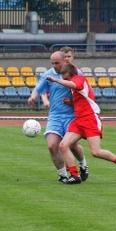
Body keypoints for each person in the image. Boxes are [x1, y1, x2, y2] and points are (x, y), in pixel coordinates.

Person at [47, 63, 116, 182]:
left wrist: (55, 80)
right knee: (63, 145)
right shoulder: (74, 84)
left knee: (96, 152)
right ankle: (74, 175)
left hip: (90, 119)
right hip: (78, 120)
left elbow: (73, 84)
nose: (64, 81)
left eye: (66, 78)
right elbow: (83, 101)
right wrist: (70, 103)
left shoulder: (79, 79)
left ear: (73, 75)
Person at [28, 50, 91, 184]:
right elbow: (38, 88)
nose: (54, 66)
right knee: (52, 145)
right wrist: (33, 97)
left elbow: (85, 92)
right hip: (55, 115)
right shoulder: (48, 74)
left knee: (72, 145)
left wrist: (73, 103)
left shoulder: (76, 73)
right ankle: (63, 175)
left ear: (64, 61)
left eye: (57, 63)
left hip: (72, 115)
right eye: (52, 63)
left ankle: (83, 165)